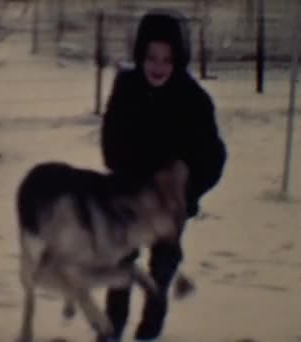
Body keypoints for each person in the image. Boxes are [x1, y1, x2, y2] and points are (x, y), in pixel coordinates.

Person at [99, 8, 227, 342]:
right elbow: (110, 144)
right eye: (152, 58)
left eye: (167, 60)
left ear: (178, 60)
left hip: (169, 202)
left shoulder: (193, 100)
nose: (158, 67)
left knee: (161, 267)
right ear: (141, 56)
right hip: (129, 194)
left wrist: (189, 192)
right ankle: (111, 328)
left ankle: (150, 327)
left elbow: (213, 157)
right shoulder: (127, 88)